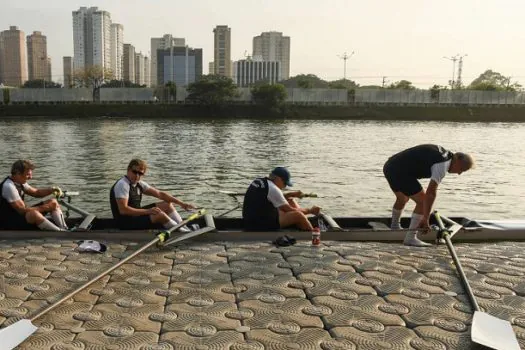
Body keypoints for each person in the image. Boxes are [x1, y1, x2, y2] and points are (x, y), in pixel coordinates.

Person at [383, 144, 475, 247]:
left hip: (389, 166)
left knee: (403, 198)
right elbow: (431, 192)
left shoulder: (445, 155)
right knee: (422, 202)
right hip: (399, 171)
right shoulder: (443, 164)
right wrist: (425, 219)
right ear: (457, 160)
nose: (459, 173)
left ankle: (395, 227)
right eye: (462, 169)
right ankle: (410, 238)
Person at [110, 159, 196, 231]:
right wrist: (148, 211)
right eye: (134, 172)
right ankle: (182, 232)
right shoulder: (122, 185)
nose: (137, 175)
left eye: (140, 173)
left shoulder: (139, 183)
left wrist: (182, 204)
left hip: (135, 216)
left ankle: (183, 227)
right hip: (125, 223)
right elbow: (123, 210)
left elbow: (160, 194)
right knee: (159, 214)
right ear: (128, 170)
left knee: (167, 204)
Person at [242, 166, 321, 231]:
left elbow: (275, 198)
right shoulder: (273, 189)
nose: (284, 187)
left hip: (251, 220)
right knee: (298, 215)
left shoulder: (261, 181)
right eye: (285, 184)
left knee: (290, 200)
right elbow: (289, 210)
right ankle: (313, 234)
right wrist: (310, 211)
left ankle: (302, 223)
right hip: (259, 226)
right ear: (279, 179)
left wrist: (291, 194)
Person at [0, 160, 68, 231]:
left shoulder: (19, 182)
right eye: (27, 175)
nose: (30, 177)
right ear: (18, 173)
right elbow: (22, 211)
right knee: (33, 214)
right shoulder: (9, 186)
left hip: (18, 218)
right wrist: (46, 207)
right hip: (7, 223)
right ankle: (60, 232)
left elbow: (36, 192)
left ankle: (64, 228)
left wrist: (52, 190)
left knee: (52, 202)